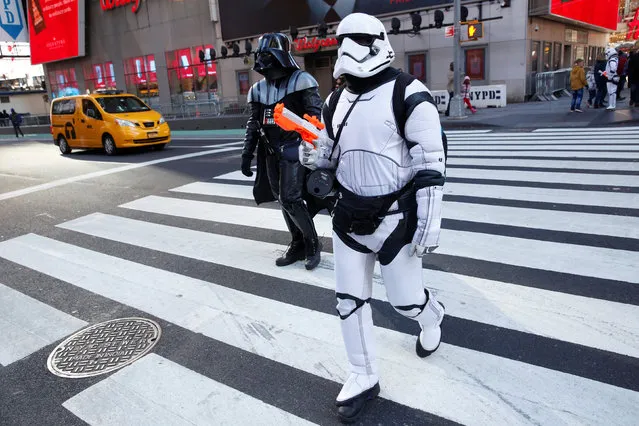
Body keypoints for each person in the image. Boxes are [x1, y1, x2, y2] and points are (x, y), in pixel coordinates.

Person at [299, 12, 446, 423]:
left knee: (404, 301)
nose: (348, 48)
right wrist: (312, 154)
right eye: (342, 39)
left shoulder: (408, 93)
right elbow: (330, 153)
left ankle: (431, 313)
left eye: (358, 38)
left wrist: (429, 223)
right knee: (348, 301)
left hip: (395, 217)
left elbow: (431, 165)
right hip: (347, 214)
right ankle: (363, 374)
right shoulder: (335, 100)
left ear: (379, 41)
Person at [240, 32, 324, 270]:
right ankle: (297, 243)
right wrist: (247, 154)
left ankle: (312, 244)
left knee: (291, 198)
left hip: (295, 149)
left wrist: (312, 149)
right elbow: (254, 123)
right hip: (270, 152)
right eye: (261, 55)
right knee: (282, 199)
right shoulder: (258, 90)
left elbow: (315, 118)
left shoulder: (303, 80)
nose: (264, 61)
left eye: (268, 55)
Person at [602, 47, 619, 111]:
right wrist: (605, 72)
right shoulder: (613, 59)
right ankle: (611, 105)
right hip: (612, 77)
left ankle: (612, 105)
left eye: (606, 54)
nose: (606, 55)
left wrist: (610, 75)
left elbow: (613, 68)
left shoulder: (612, 59)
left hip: (612, 78)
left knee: (611, 92)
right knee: (612, 92)